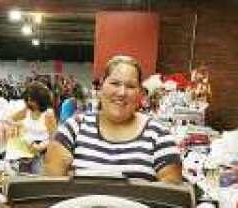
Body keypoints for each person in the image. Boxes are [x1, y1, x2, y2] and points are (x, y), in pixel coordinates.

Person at [43, 56, 182, 184]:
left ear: (140, 92)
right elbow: (51, 191)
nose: (122, 93)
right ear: (102, 86)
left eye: (131, 86)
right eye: (115, 83)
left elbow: (170, 199)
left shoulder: (159, 135)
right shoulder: (73, 129)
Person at [7, 81, 57, 174]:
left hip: (41, 155)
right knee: (22, 181)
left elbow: (54, 139)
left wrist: (40, 147)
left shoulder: (48, 114)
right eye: (28, 98)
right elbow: (9, 120)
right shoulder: (26, 111)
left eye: (32, 99)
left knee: (37, 182)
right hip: (23, 154)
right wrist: (19, 130)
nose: (29, 101)